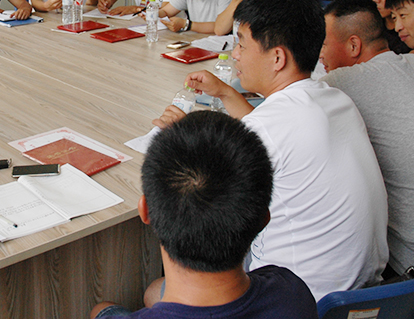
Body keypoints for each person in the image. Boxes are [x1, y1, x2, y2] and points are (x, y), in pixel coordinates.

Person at [154, 0, 388, 300]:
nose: (235, 54)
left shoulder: (270, 126)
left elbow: (204, 191)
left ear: (277, 57)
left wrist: (179, 139)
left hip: (300, 299)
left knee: (157, 292)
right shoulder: (335, 100)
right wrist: (225, 92)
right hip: (367, 292)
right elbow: (269, 135)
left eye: (241, 44)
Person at [90, 112, 318, 319]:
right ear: (264, 219)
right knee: (152, 292)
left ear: (145, 211)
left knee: (101, 310)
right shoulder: (291, 291)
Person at [319, 0, 414, 277]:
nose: (319, 54)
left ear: (353, 45)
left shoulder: (341, 82)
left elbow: (279, 126)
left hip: (409, 261)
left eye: (323, 44)